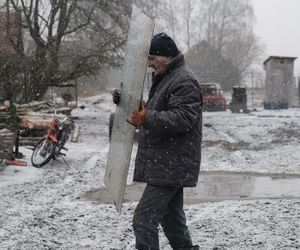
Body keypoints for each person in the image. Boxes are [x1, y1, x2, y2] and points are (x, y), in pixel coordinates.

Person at [113, 32, 202, 250]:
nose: (149, 65)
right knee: (171, 220)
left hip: (172, 164)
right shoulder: (168, 78)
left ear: (166, 56)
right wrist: (127, 102)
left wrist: (147, 117)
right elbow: (156, 111)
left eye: (152, 59)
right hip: (168, 162)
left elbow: (183, 118)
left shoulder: (184, 80)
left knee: (143, 220)